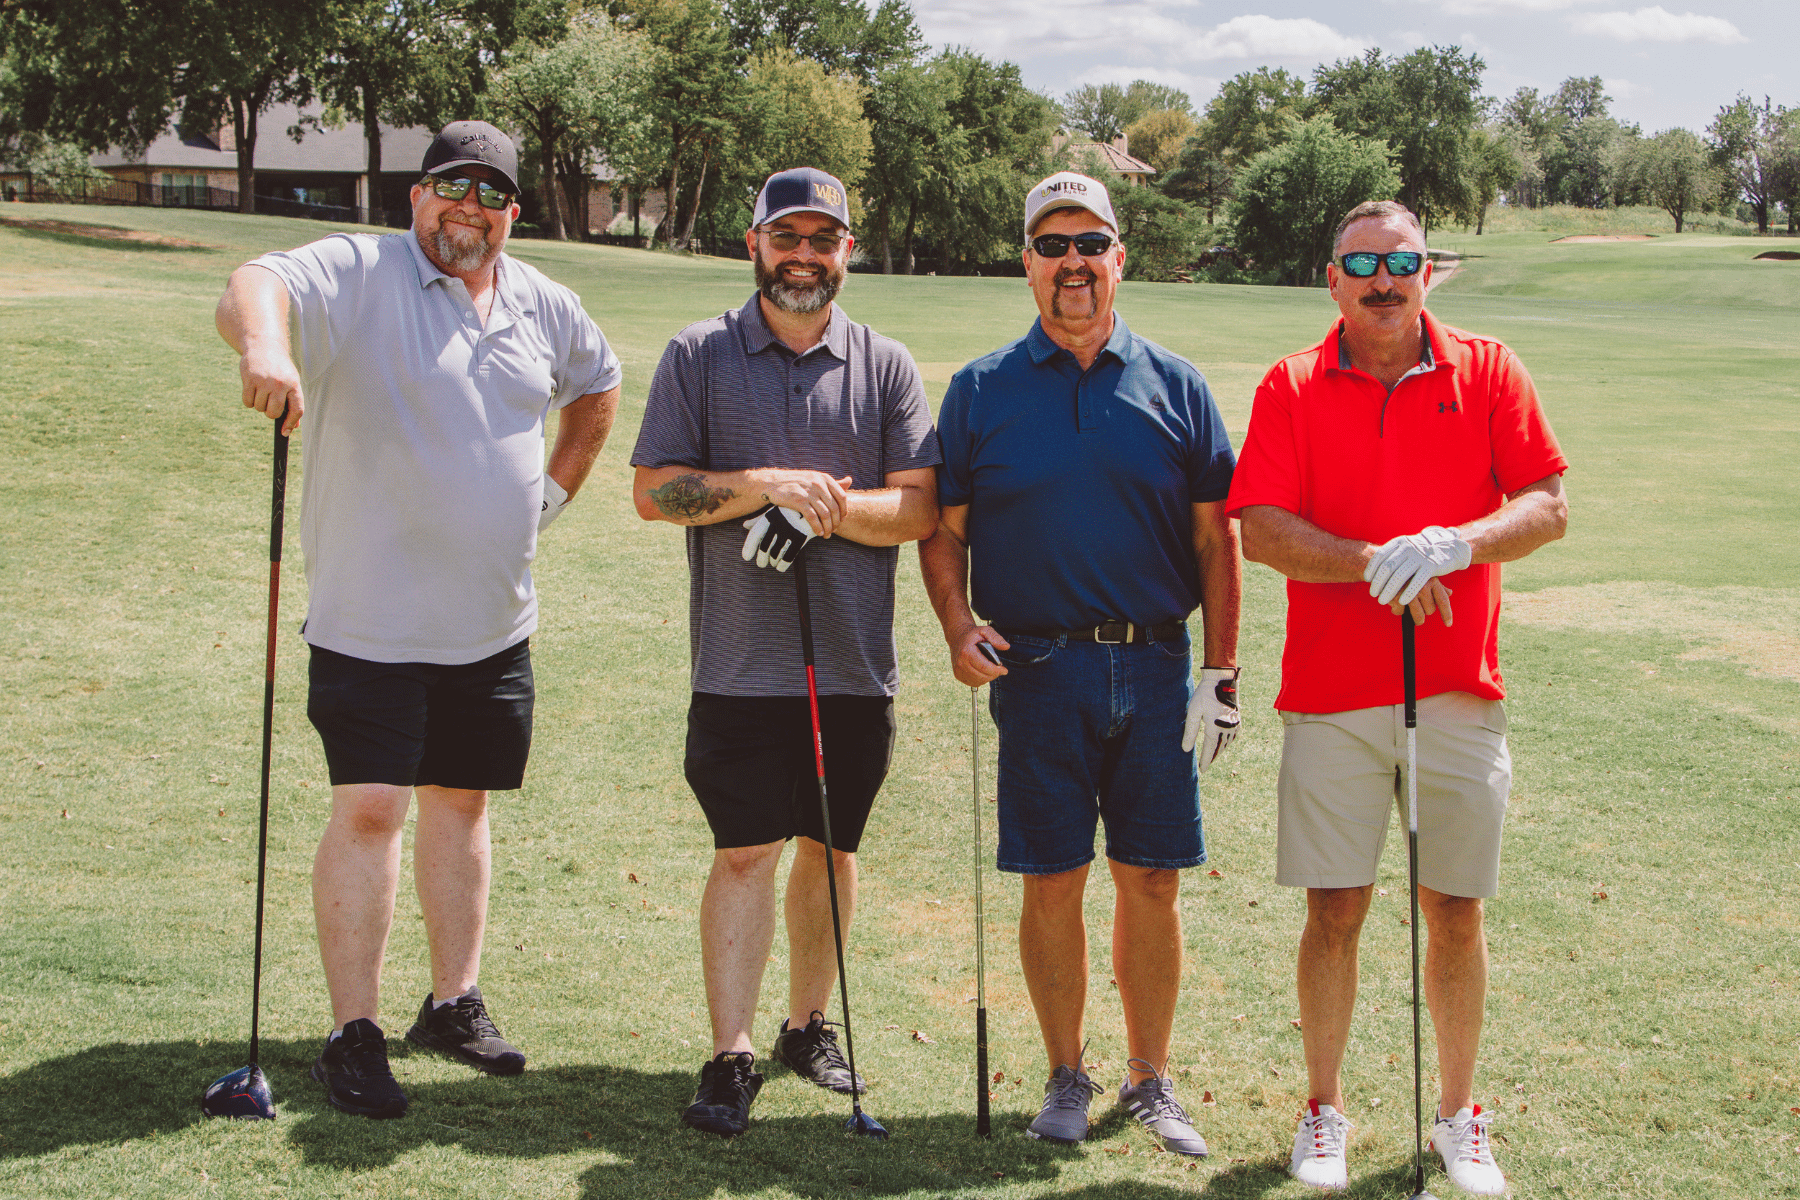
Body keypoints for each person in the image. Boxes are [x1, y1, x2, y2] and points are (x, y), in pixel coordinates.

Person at [214, 120, 623, 1119]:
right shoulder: (360, 268)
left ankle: (452, 1002)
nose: (467, 210)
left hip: (491, 624)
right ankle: (352, 1034)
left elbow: (599, 390)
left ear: (513, 212)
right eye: (451, 187)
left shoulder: (543, 303)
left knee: (463, 805)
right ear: (416, 195)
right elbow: (254, 282)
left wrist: (554, 498)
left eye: (490, 194)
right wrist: (268, 347)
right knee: (371, 812)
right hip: (370, 624)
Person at [1226, 199, 1568, 1194]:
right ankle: (1323, 1110)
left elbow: (1547, 504)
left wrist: (1456, 544)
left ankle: (1461, 1117)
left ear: (1430, 271)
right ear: (1332, 278)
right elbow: (1263, 529)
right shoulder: (1293, 383)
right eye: (1362, 262)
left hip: (1458, 688)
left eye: (1402, 261)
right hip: (1331, 695)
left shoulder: (1490, 369)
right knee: (1334, 907)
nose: (1384, 280)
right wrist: (1380, 560)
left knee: (1455, 908)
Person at [919, 172, 1242, 1155]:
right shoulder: (980, 389)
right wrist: (955, 626)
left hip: (1153, 669)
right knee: (1051, 879)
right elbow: (945, 533)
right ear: (1026, 262)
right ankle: (1066, 1072)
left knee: (1153, 880)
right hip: (1039, 670)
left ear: (1120, 259)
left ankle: (1151, 1078)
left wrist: (1220, 675)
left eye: (1090, 244)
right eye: (1052, 246)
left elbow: (1215, 542)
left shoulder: (1177, 384)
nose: (1073, 264)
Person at [630, 167, 940, 1138]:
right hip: (738, 665)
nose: (803, 256)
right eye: (786, 237)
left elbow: (920, 508)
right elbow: (654, 490)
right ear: (754, 244)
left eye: (823, 239)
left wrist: (828, 508)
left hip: (853, 665)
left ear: (847, 250)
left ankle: (807, 1026)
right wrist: (767, 485)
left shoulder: (884, 365)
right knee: (745, 851)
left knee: (831, 848)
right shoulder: (700, 355)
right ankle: (729, 1053)